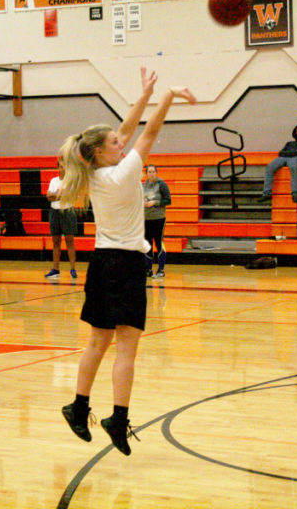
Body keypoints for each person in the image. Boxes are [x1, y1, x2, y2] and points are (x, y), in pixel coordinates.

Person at [59, 67, 196, 456]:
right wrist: (166, 94)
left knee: (98, 340)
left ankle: (79, 405)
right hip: (127, 264)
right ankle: (117, 418)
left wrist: (145, 93)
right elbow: (147, 132)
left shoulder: (96, 171)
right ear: (100, 151)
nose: (122, 143)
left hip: (102, 263)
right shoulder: (122, 173)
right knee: (126, 349)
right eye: (115, 143)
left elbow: (126, 128)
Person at [257, 123, 297, 204]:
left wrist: (291, 153)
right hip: (285, 158)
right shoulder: (289, 143)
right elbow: (281, 153)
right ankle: (267, 193)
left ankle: (295, 192)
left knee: (293, 166)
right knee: (270, 166)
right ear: (295, 133)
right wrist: (296, 152)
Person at [44, 169, 77, 280]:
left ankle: (73, 268)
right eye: (61, 165)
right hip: (54, 211)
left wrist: (55, 195)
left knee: (69, 241)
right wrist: (60, 195)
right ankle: (55, 269)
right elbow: (48, 196)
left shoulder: (71, 181)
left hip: (67, 211)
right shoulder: (54, 181)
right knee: (56, 241)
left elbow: (69, 196)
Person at [142, 164, 171, 279]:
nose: (151, 174)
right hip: (146, 219)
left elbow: (168, 200)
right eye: (149, 172)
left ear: (156, 172)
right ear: (146, 173)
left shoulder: (161, 184)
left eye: (153, 171)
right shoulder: (143, 186)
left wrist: (155, 202)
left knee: (158, 243)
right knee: (147, 244)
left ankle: (161, 270)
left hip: (158, 218)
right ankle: (148, 269)